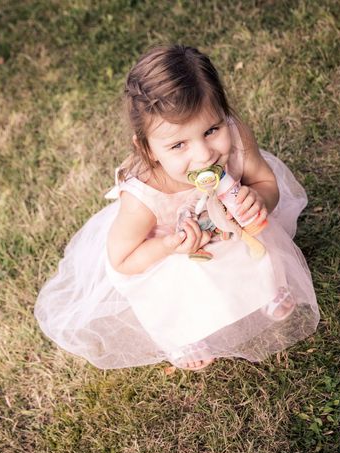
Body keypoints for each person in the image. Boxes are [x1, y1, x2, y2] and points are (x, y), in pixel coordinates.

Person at [34, 45, 319, 371]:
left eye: (212, 130)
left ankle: (266, 290)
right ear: (148, 149)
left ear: (225, 115)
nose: (204, 155)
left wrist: (259, 200)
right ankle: (180, 337)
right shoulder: (144, 197)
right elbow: (123, 261)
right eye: (178, 144)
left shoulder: (237, 137)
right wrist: (169, 245)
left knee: (257, 237)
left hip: (229, 230)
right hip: (171, 252)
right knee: (178, 279)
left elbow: (266, 183)